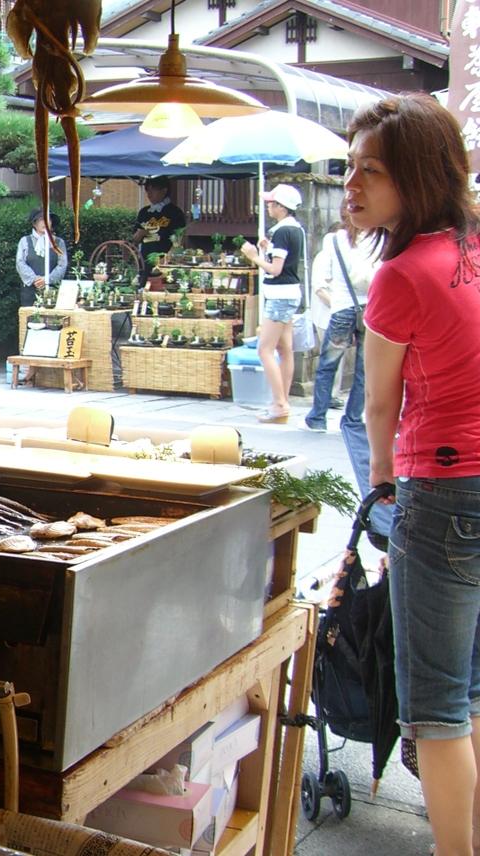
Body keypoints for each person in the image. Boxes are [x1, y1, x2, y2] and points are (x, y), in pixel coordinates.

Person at [348, 92, 480, 856]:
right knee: (474, 687)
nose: (352, 185)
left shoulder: (399, 275)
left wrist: (384, 492)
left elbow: (379, 407)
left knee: (435, 706)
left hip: (444, 490)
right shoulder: (473, 245)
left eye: (371, 170)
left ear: (417, 176)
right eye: (350, 168)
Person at [304, 213, 377, 432]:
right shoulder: (377, 239)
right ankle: (353, 418)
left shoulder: (334, 239)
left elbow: (326, 275)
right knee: (364, 369)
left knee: (327, 365)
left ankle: (318, 416)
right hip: (369, 308)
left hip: (342, 307)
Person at [240, 184, 305, 424]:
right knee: (284, 349)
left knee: (264, 349)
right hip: (290, 293)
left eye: (271, 203)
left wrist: (254, 257)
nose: (268, 207)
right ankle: (282, 401)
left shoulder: (281, 231)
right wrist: (266, 250)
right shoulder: (296, 229)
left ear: (281, 207)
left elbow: (276, 270)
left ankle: (279, 404)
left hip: (279, 295)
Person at [131, 176, 185, 289]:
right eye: (147, 190)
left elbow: (179, 239)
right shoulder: (144, 212)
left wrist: (169, 258)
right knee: (142, 289)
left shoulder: (175, 212)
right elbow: (134, 239)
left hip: (164, 263)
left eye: (153, 190)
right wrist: (139, 234)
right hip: (144, 261)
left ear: (164, 190)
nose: (149, 194)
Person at [15, 208, 67, 307]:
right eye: (42, 219)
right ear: (34, 224)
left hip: (52, 291)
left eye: (48, 219)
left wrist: (47, 279)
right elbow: (20, 263)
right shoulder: (24, 241)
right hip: (30, 291)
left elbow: (62, 265)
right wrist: (35, 279)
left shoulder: (59, 242)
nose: (46, 222)